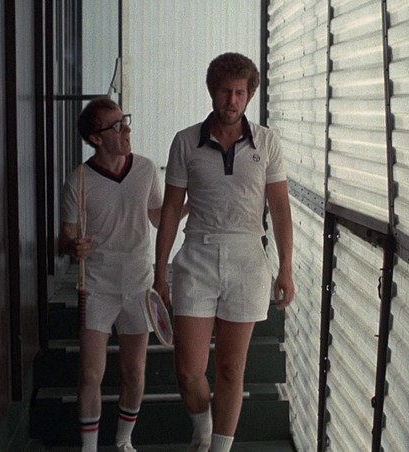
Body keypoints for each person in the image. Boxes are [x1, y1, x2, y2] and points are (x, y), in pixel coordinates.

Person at [153, 52, 295, 452]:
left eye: (240, 93)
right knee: (188, 371)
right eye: (225, 92)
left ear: (249, 95)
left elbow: (280, 208)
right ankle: (203, 429)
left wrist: (286, 268)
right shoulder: (186, 141)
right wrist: (160, 272)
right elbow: (170, 210)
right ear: (212, 92)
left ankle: (219, 448)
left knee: (231, 368)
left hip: (248, 257)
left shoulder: (267, 142)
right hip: (197, 254)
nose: (232, 100)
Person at [58, 97, 162, 452]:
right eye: (117, 125)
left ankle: (123, 442)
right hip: (97, 288)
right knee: (90, 374)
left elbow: (159, 217)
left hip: (139, 285)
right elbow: (65, 237)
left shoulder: (146, 169)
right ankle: (88, 449)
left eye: (125, 120)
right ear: (96, 138)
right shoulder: (79, 180)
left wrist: (195, 201)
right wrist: (73, 247)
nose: (126, 128)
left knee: (135, 370)